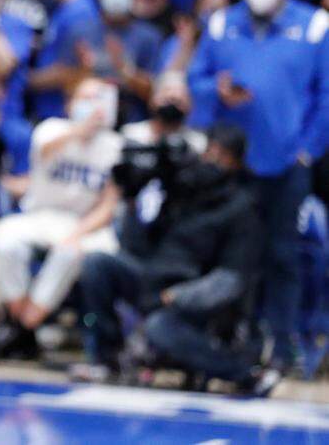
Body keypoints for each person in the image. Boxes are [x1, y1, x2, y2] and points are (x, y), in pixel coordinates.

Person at [188, 0, 329, 371]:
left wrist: (308, 150)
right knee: (230, 254)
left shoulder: (315, 27)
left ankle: (284, 344)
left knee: (284, 255)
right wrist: (217, 91)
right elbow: (197, 81)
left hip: (287, 162)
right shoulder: (219, 23)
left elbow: (326, 95)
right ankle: (228, 339)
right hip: (231, 166)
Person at [75, 125, 278, 396]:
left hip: (194, 301)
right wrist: (134, 197)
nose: (212, 160)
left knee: (159, 327)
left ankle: (246, 374)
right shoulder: (182, 190)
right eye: (209, 151)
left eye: (222, 155)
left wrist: (176, 296)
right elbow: (138, 246)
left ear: (237, 163)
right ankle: (107, 359)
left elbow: (231, 280)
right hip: (151, 280)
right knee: (97, 264)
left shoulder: (243, 208)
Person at [0, 77, 123, 359]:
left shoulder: (115, 146)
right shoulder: (50, 129)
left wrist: (78, 233)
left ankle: (23, 327)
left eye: (98, 99)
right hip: (42, 217)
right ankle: (23, 323)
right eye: (85, 98)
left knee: (69, 253)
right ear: (70, 103)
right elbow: (45, 151)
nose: (91, 105)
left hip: (85, 223)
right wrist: (80, 131)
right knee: (4, 240)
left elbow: (108, 206)